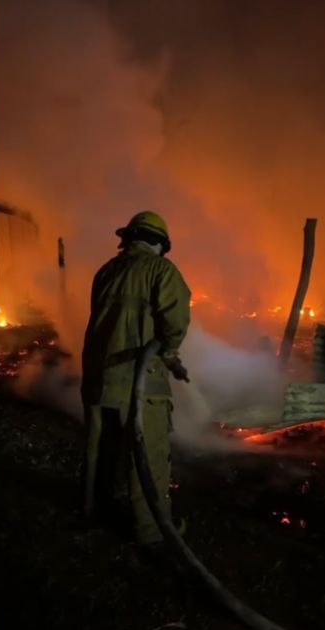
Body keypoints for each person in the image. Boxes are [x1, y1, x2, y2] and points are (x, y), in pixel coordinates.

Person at [81, 210, 191, 545]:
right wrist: (169, 353)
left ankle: (93, 513)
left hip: (99, 380)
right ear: (159, 243)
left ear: (129, 239)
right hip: (140, 385)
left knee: (99, 450)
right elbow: (175, 324)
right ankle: (152, 531)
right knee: (148, 454)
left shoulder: (106, 271)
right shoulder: (162, 270)